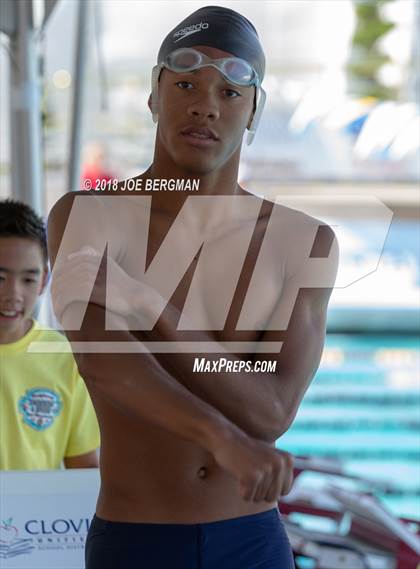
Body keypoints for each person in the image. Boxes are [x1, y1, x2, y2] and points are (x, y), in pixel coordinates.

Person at [48, 6, 338, 568]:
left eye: (230, 93)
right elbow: (106, 364)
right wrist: (221, 435)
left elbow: (270, 411)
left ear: (254, 111)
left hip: (250, 539)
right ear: (154, 96)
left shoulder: (301, 241)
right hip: (138, 537)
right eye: (185, 83)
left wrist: (151, 304)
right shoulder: (89, 215)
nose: (205, 104)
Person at [0, 199, 100, 470]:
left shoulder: (65, 358)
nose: (12, 295)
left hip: (33, 514)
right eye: (0, 278)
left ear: (44, 280)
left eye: (28, 279)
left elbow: (84, 468)